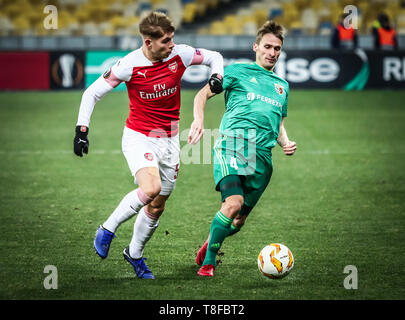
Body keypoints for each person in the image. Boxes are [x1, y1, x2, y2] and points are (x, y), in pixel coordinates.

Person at [73, 11, 224, 279]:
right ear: (148, 42)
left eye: (172, 39)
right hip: (139, 136)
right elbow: (92, 92)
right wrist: (81, 130)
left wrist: (217, 76)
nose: (171, 45)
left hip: (169, 139)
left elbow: (214, 57)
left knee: (157, 204)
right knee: (150, 188)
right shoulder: (129, 65)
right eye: (165, 41)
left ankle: (134, 254)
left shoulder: (180, 55)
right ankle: (107, 228)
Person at [187, 20, 297, 277]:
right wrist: (199, 120)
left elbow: (278, 122)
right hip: (234, 144)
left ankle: (210, 241)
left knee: (238, 221)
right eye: (268, 47)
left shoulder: (283, 86)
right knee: (233, 203)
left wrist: (286, 142)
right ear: (256, 46)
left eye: (277, 49)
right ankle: (208, 264)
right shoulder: (236, 72)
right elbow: (201, 94)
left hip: (263, 158)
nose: (272, 53)